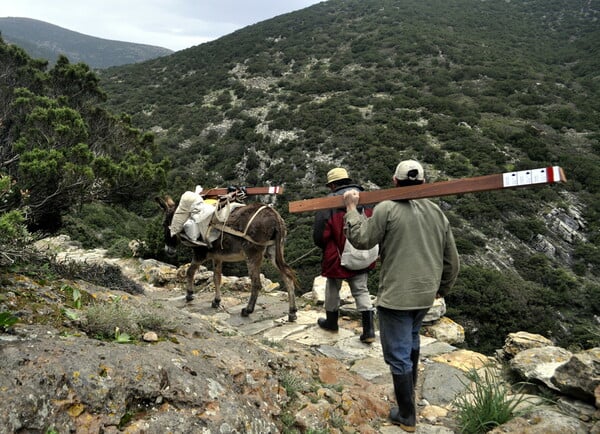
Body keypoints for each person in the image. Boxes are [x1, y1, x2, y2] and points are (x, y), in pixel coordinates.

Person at [342, 159, 460, 432]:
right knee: (412, 340)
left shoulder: (387, 208)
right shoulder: (436, 211)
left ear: (394, 182)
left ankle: (406, 414)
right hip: (424, 295)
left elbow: (362, 239)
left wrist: (351, 209)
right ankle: (411, 395)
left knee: (397, 353)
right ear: (422, 184)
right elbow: (452, 260)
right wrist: (442, 288)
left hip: (397, 296)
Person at [313, 167, 377, 344]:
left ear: (332, 185)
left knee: (333, 287)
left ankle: (332, 322)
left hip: (337, 253)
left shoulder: (329, 202)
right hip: (363, 251)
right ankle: (369, 329)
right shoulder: (365, 197)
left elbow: (321, 234)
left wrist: (326, 247)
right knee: (361, 288)